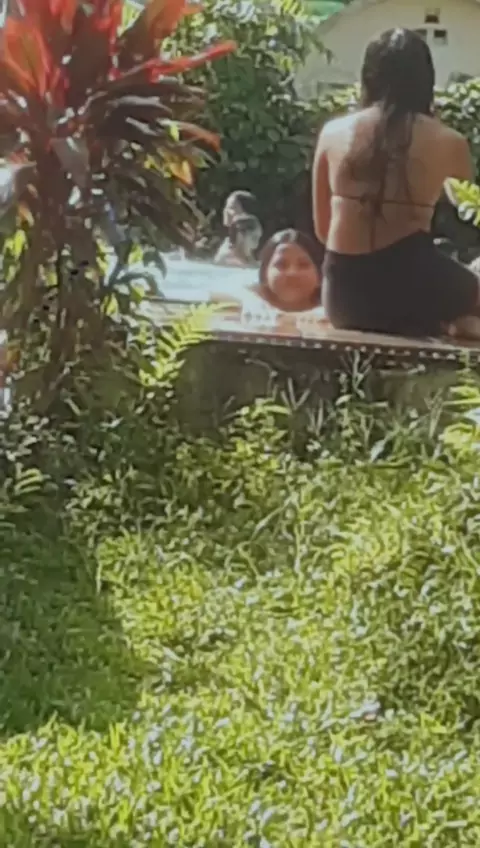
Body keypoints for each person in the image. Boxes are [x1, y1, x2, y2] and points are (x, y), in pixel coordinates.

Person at [312, 27, 480, 339]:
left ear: (368, 77)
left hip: (343, 298)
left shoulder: (333, 132)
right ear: (426, 81)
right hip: (415, 284)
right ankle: (455, 323)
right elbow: (467, 210)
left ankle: (450, 322)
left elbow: (323, 230)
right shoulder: (448, 141)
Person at [214, 190, 263, 266]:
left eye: (231, 207)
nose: (225, 211)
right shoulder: (226, 248)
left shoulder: (252, 237)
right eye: (226, 207)